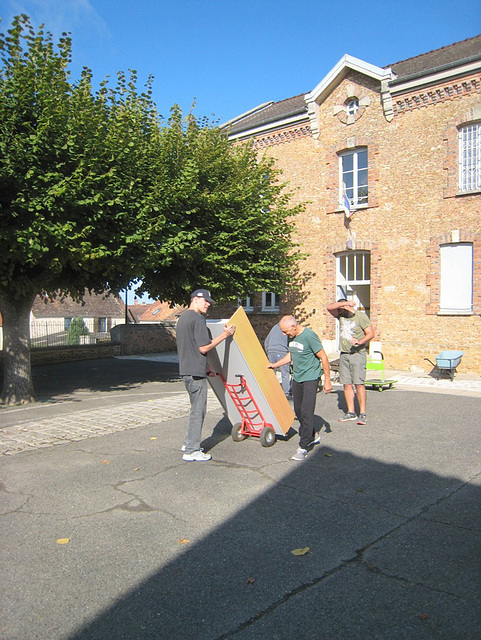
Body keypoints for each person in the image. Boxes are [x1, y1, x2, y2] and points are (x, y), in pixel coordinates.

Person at [176, 288, 236, 461]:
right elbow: (203, 347)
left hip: (187, 370)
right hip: (195, 373)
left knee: (195, 409)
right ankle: (192, 451)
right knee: (198, 411)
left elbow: (192, 347)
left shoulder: (183, 319)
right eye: (206, 301)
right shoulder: (197, 319)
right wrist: (225, 335)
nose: (208, 304)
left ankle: (188, 442)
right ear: (195, 299)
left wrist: (207, 365)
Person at [268, 315, 332, 461]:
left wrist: (327, 381)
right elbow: (291, 355)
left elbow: (324, 357)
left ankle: (303, 446)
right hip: (297, 377)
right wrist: (275, 365)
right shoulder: (291, 337)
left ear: (293, 327)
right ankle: (312, 434)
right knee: (298, 410)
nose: (284, 334)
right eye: (282, 332)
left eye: (285, 331)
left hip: (311, 377)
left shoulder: (309, 336)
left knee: (307, 412)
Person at [326, 299, 374, 425]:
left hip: (357, 354)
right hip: (344, 354)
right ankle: (351, 412)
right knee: (346, 384)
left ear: (347, 307)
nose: (339, 312)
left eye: (341, 309)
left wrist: (360, 341)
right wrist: (343, 304)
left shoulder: (360, 317)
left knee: (358, 383)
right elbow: (329, 307)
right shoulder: (341, 316)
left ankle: (362, 413)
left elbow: (370, 333)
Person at [264, 322, 291, 398]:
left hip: (271, 350)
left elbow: (267, 341)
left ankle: (270, 392)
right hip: (282, 352)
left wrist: (268, 352)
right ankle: (286, 394)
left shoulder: (274, 327)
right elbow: (290, 343)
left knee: (271, 372)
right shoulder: (288, 329)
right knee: (285, 373)